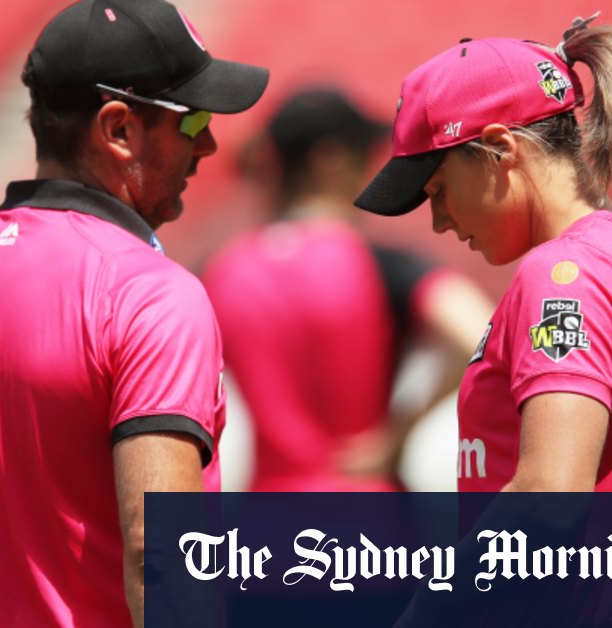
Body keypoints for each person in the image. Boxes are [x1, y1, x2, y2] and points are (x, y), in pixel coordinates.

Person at [0, 1, 268, 626]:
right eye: (192, 121)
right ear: (119, 129)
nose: (209, 144)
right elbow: (157, 555)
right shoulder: (153, 297)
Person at [355, 15, 612, 493]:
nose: (438, 221)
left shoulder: (565, 274)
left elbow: (550, 497)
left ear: (500, 148)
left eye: (438, 190)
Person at [203, 87, 494, 492]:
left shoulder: (219, 272)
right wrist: (401, 431)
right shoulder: (379, 263)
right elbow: (483, 333)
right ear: (331, 159)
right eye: (364, 154)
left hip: (265, 515)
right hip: (369, 512)